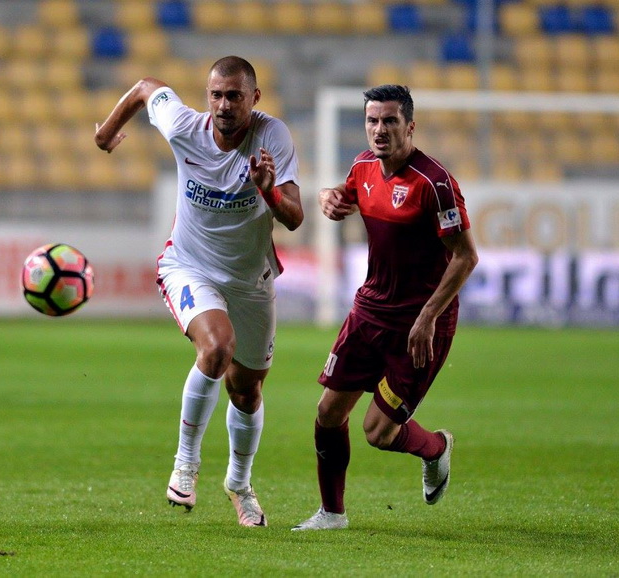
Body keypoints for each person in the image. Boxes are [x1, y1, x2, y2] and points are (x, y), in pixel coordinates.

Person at [95, 56, 303, 527]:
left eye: (234, 95)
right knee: (217, 348)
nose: (224, 105)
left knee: (246, 391)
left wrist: (269, 191)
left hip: (251, 281)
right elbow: (147, 85)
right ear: (207, 96)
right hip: (188, 266)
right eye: (216, 94)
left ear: (255, 98)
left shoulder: (273, 137)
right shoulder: (186, 125)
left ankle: (238, 483)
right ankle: (185, 463)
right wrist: (106, 132)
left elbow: (294, 217)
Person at [292, 85, 478, 531]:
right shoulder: (363, 165)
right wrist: (326, 196)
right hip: (369, 312)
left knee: (378, 432)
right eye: (373, 121)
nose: (380, 130)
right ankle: (332, 514)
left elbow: (465, 256)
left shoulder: (435, 184)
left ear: (410, 126)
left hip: (419, 325)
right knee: (328, 413)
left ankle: (435, 447)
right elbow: (345, 192)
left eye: (390, 121)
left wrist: (427, 317)